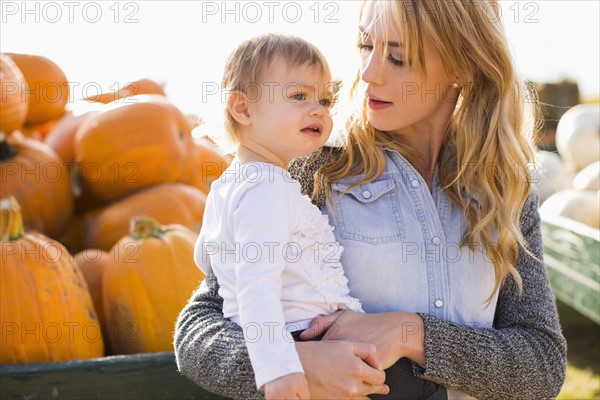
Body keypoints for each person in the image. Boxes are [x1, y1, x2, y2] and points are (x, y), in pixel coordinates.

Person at [175, 1, 567, 399]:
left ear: (463, 65)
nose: (367, 75)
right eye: (365, 46)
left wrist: (410, 333)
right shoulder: (312, 166)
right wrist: (294, 364)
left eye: (398, 57)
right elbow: (197, 329)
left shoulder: (504, 189)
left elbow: (543, 365)